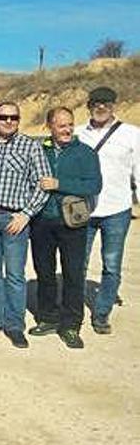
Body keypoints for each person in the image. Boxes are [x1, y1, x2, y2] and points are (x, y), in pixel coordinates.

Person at [0, 102, 51, 349]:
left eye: (13, 117)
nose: (8, 121)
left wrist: (26, 214)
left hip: (14, 219)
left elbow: (42, 184)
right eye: (3, 117)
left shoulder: (30, 146)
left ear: (19, 119)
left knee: (14, 275)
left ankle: (15, 325)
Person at [28, 107, 101, 349]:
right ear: (50, 126)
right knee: (45, 272)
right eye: (61, 125)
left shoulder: (85, 153)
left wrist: (59, 184)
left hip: (73, 223)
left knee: (73, 274)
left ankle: (70, 325)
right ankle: (48, 318)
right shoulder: (40, 150)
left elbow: (93, 185)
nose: (67, 129)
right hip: (42, 222)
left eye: (70, 124)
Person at [77, 86, 140, 334]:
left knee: (111, 265)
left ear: (114, 105)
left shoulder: (132, 134)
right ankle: (74, 309)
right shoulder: (78, 133)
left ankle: (101, 313)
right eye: (95, 103)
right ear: (89, 106)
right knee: (78, 263)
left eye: (106, 103)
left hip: (117, 210)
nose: (100, 107)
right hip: (84, 210)